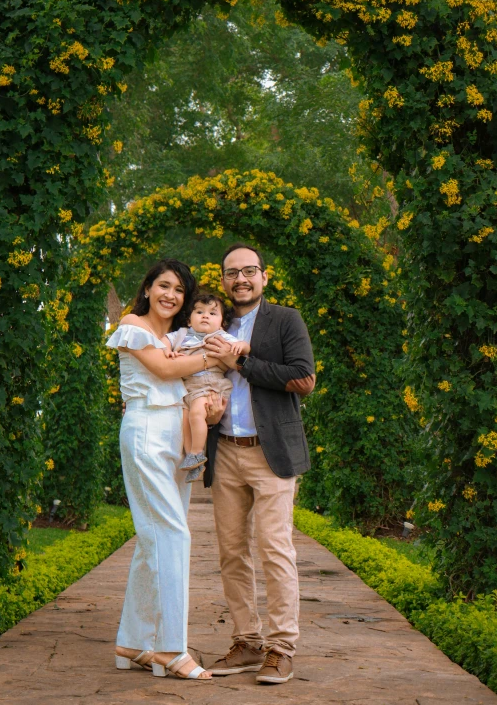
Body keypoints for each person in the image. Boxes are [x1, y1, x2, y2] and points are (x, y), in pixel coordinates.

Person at [107, 259, 225, 682]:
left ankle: (134, 641)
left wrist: (210, 406)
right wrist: (216, 358)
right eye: (164, 285)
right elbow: (163, 369)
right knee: (173, 533)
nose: (170, 295)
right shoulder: (133, 325)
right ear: (149, 287)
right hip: (145, 433)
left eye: (179, 289)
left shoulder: (176, 337)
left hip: (174, 435)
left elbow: (185, 384)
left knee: (152, 538)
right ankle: (172, 648)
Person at [204, 243, 316, 685]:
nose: (241, 280)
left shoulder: (285, 319)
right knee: (232, 553)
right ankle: (248, 642)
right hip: (227, 451)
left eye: (249, 271)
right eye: (232, 273)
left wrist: (244, 363)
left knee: (274, 550)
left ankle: (281, 648)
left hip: (271, 454)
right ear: (224, 279)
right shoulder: (214, 321)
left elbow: (303, 379)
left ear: (264, 277)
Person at [162, 293, 250, 483]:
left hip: (210, 385)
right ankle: (193, 459)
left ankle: (196, 453)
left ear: (221, 323)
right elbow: (164, 342)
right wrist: (167, 352)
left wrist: (241, 346)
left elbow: (244, 348)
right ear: (189, 318)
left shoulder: (220, 336)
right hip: (188, 389)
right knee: (185, 423)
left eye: (212, 313)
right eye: (199, 311)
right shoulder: (182, 334)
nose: (205, 316)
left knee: (196, 415)